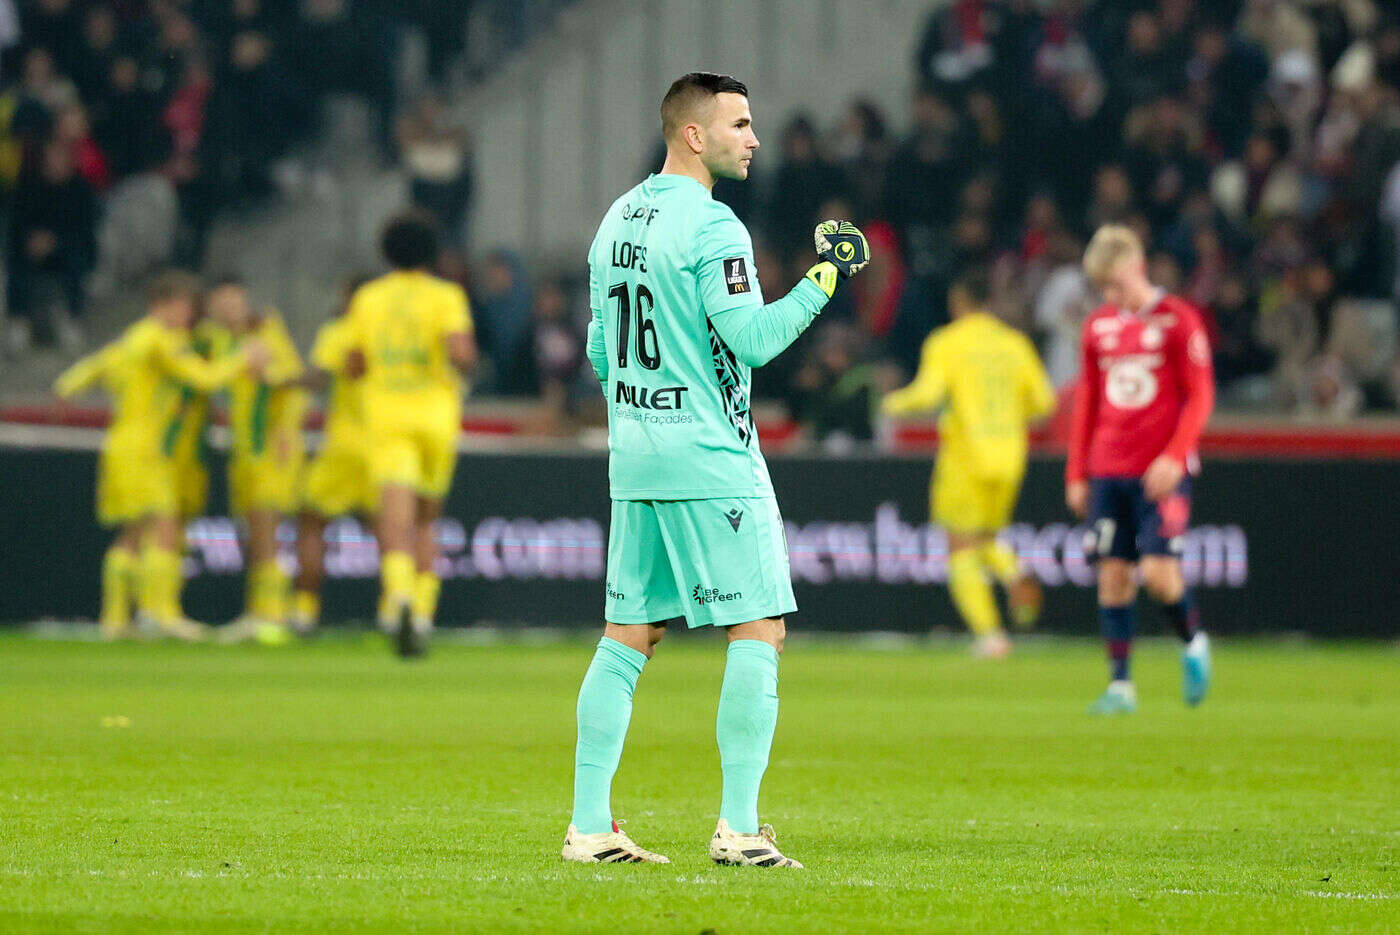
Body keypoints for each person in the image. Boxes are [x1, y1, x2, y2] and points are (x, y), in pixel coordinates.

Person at [562, 72, 870, 867]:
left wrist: (647, 401)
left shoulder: (614, 220)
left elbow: (600, 347)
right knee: (759, 625)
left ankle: (590, 824)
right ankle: (738, 827)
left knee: (627, 636)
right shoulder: (713, 225)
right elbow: (756, 340)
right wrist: (825, 276)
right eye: (739, 123)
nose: (754, 137)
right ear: (694, 135)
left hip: (634, 454)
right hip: (709, 454)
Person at [53, 271, 264, 639]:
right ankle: (160, 613)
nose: (186, 315)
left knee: (133, 532)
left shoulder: (135, 338)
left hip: (128, 444)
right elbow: (204, 379)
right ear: (159, 305)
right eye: (181, 306)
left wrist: (68, 387)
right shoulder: (159, 339)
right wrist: (243, 358)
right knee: (165, 525)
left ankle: (116, 620)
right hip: (145, 448)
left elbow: (93, 367)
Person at [1067, 225, 1215, 714]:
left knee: (1157, 573)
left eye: (1116, 284)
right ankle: (1121, 687)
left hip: (1161, 472)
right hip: (1108, 468)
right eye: (1103, 288)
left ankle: (1193, 642)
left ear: (1137, 267)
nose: (1111, 296)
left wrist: (1176, 455)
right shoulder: (1098, 327)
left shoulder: (1179, 320)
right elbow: (1088, 401)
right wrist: (1076, 472)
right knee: (1112, 575)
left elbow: (1200, 396)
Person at [881, 268, 1057, 658]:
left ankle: (991, 635)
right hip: (1010, 457)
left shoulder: (948, 341)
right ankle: (1011, 570)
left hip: (967, 458)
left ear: (957, 302)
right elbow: (1045, 402)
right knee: (985, 540)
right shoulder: (1015, 344)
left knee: (959, 546)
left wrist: (889, 402)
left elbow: (927, 394)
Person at [342, 214, 477, 657]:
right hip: (436, 417)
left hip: (385, 417)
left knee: (393, 516)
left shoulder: (368, 297)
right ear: (433, 252)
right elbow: (461, 352)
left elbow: (354, 363)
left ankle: (397, 595)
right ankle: (421, 613)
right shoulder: (446, 295)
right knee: (426, 519)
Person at [201, 278, 307, 643]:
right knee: (254, 533)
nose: (228, 306)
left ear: (244, 299)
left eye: (234, 298)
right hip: (243, 450)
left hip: (270, 449)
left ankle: (273, 616)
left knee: (266, 530)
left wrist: (283, 429)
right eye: (220, 299)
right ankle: (257, 612)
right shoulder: (216, 341)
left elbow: (294, 382)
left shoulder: (268, 330)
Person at [291, 276, 375, 635]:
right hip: (386, 445)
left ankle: (304, 611)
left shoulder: (340, 330)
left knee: (312, 524)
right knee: (397, 533)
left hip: (343, 445)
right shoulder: (395, 333)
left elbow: (320, 378)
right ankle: (402, 612)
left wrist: (280, 379)